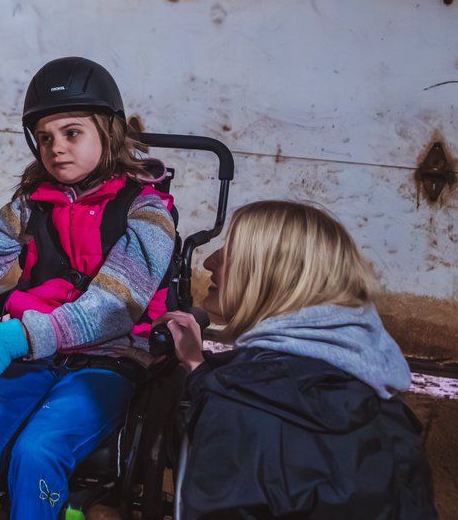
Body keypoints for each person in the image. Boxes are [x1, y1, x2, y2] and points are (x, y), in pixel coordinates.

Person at [0, 56, 179, 520]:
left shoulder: (148, 211)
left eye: (72, 132)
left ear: (108, 131)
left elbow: (114, 306)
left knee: (37, 451)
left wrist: (18, 335)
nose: (56, 148)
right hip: (28, 356)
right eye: (45, 138)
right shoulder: (28, 205)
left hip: (108, 360)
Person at [161, 200, 438, 519]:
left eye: (231, 251)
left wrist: (219, 390)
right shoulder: (384, 405)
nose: (210, 262)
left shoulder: (238, 409)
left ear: (273, 275)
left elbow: (252, 430)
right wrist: (201, 372)